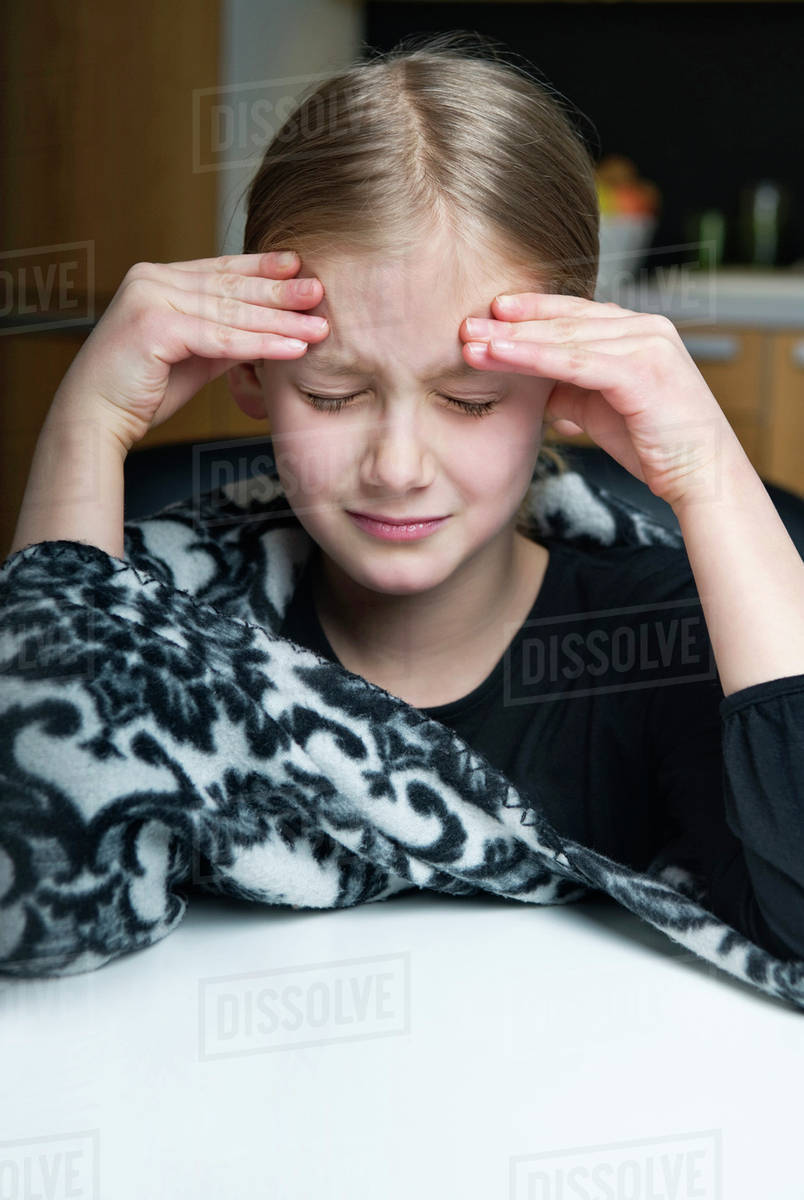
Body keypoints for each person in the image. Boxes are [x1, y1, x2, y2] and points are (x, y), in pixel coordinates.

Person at [3, 32, 804, 979]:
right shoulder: (164, 626)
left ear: (564, 380)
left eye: (468, 401)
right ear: (255, 375)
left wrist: (709, 470)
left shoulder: (658, 637)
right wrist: (84, 426)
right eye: (335, 395)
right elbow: (33, 897)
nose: (396, 465)